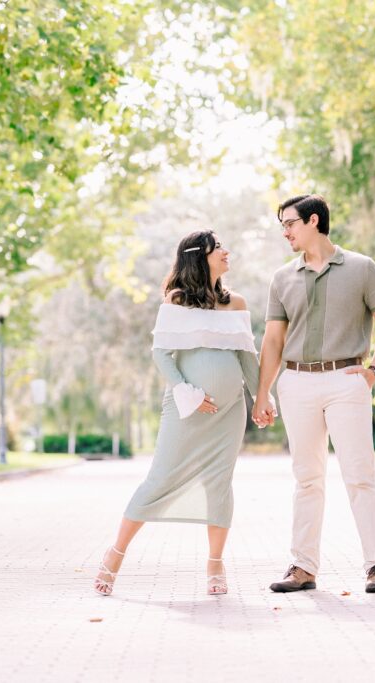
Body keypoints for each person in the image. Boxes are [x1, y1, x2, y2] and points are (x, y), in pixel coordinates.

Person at [94, 230, 272, 597]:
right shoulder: (176, 300)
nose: (227, 252)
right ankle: (114, 555)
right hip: (184, 410)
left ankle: (215, 564)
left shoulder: (235, 303)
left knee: (219, 484)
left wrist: (262, 397)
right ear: (199, 256)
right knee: (159, 479)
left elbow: (246, 356)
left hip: (228, 413)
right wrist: (187, 394)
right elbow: (162, 354)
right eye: (218, 247)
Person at [253, 194, 375, 594]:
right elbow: (272, 341)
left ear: (313, 221)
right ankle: (302, 567)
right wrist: (262, 393)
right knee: (307, 479)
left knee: (360, 476)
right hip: (297, 383)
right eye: (282, 225)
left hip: (345, 380)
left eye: (290, 223)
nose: (285, 231)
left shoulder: (362, 268)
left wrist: (372, 371)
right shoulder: (282, 277)